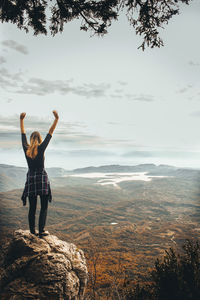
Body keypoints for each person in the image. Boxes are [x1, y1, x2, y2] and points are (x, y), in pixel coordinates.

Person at [20, 111, 59, 238]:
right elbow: (50, 133)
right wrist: (56, 119)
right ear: (39, 139)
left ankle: (32, 231)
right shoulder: (41, 148)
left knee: (32, 208)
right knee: (44, 207)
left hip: (31, 180)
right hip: (41, 179)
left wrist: (21, 120)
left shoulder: (26, 149)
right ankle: (41, 230)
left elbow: (22, 134)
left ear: (31, 139)